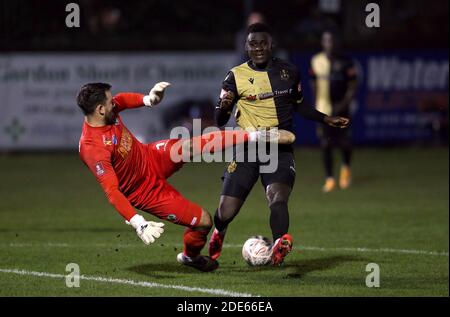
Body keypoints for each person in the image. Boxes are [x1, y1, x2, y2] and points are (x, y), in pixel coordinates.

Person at [76, 81, 295, 272]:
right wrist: (137, 222)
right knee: (204, 221)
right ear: (100, 110)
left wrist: (148, 99)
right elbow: (112, 190)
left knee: (189, 146)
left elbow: (122, 100)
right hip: (144, 191)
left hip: (151, 156)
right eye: (109, 102)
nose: (114, 102)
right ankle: (191, 257)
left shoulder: (108, 111)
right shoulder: (92, 147)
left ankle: (255, 135)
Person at [209, 23, 350, 265]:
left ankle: (278, 247)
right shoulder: (235, 76)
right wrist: (223, 106)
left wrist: (326, 119)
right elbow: (219, 120)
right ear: (247, 47)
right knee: (226, 211)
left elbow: (300, 104)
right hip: (248, 149)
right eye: (253, 44)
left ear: (271, 44)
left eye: (263, 43)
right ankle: (219, 232)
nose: (259, 48)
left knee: (277, 198)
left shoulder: (289, 72)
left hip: (279, 148)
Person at [310, 30, 358, 193]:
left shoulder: (346, 62)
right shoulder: (316, 61)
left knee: (344, 142)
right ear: (322, 42)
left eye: (332, 40)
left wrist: (344, 103)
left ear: (336, 42)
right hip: (324, 110)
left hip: (341, 109)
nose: (329, 43)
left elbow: (352, 86)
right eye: (326, 40)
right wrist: (316, 106)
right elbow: (314, 84)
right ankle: (330, 179)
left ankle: (345, 169)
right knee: (325, 143)